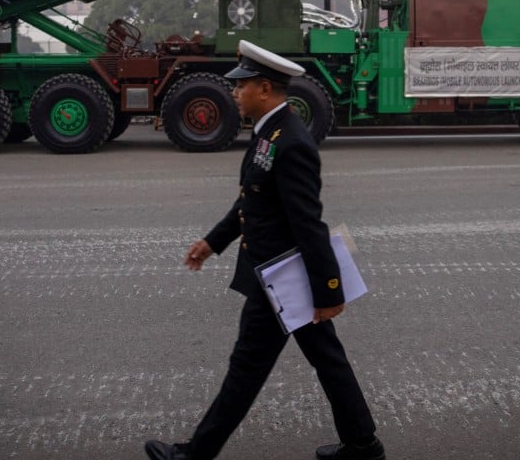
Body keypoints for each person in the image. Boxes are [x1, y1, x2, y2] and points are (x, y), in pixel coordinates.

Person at [145, 41, 384, 460]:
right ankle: (362, 445)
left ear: (265, 88)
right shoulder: (269, 133)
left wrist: (330, 291)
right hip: (278, 273)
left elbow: (309, 224)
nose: (234, 93)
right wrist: (212, 242)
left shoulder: (291, 142)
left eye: (241, 87)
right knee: (326, 360)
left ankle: (195, 454)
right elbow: (252, 201)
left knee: (247, 369)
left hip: (281, 278)